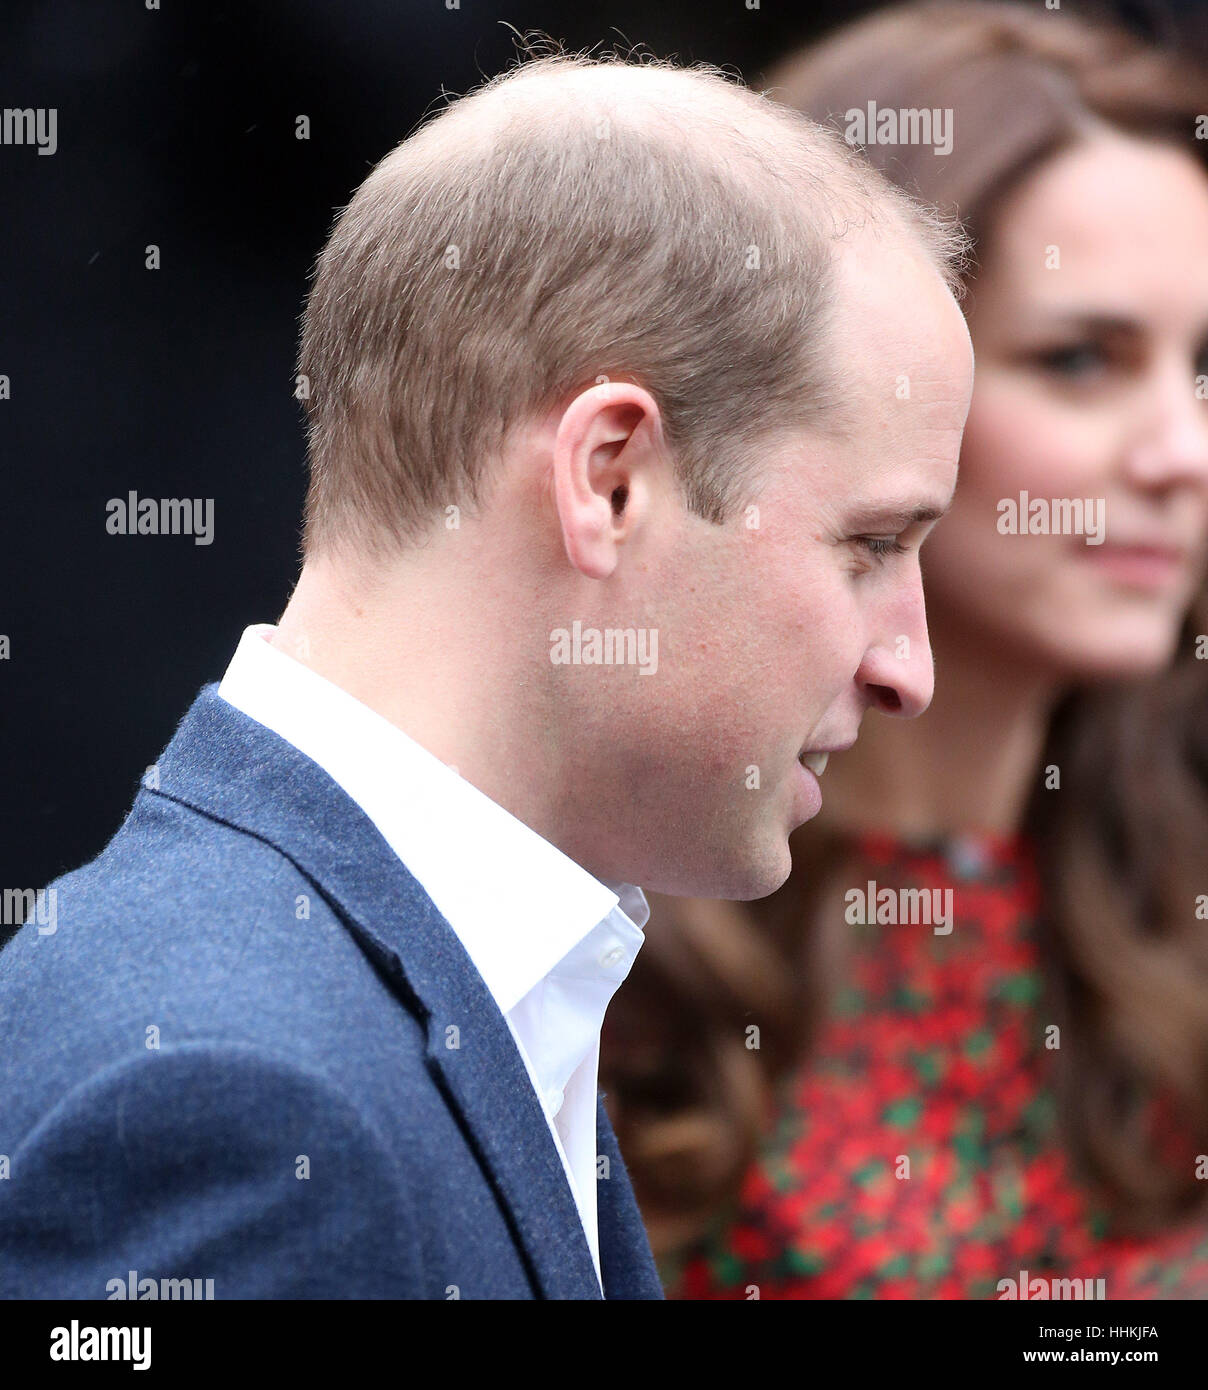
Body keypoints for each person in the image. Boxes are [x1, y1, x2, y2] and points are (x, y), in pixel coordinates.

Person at [0, 49, 974, 1298]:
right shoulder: (246, 1103)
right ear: (609, 480)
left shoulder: (421, 993)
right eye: (871, 545)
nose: (909, 668)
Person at [601, 1, 1208, 1300]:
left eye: (1205, 369)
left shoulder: (1171, 886)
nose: (1180, 457)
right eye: (1084, 359)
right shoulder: (602, 940)